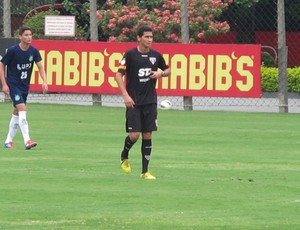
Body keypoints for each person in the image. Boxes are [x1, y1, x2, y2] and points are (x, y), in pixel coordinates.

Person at [115, 25, 171, 179]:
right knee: (134, 135)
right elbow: (118, 75)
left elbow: (168, 70)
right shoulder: (130, 55)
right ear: (139, 38)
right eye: (146, 37)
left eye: (151, 37)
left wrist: (160, 73)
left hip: (150, 102)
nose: (149, 40)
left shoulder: (156, 55)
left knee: (147, 135)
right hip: (134, 101)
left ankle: (145, 172)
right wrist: (125, 96)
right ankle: (124, 154)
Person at [0, 26, 48, 150]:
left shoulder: (33, 51)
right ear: (20, 37)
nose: (29, 37)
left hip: (24, 87)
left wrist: (44, 81)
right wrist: (4, 84)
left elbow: (40, 67)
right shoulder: (13, 51)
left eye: (30, 35)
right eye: (26, 35)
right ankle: (27, 140)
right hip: (13, 85)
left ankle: (8, 141)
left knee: (16, 113)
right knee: (22, 109)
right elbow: (1, 65)